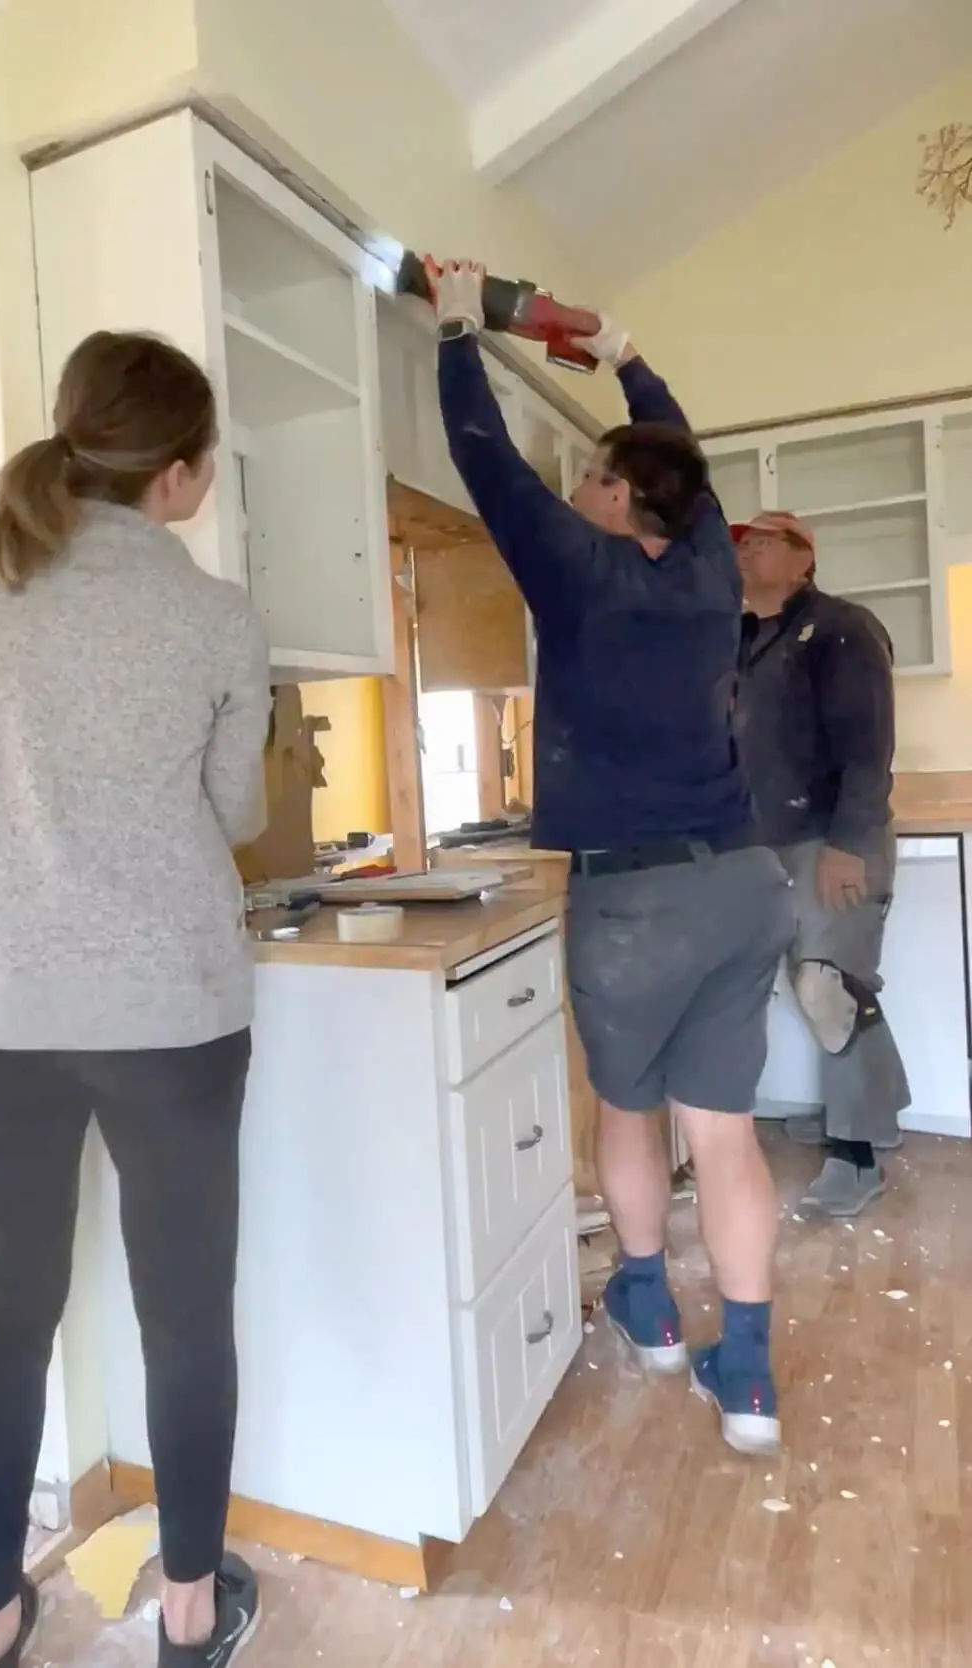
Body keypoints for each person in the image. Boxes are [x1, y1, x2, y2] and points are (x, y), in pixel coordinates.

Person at [0, 331, 271, 1668]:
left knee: (2, 1312)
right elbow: (237, 810)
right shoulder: (212, 612)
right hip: (164, 1011)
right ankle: (185, 1610)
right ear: (175, 475)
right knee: (182, 1313)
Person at [427, 260, 795, 1456]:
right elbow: (677, 443)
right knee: (723, 1132)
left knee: (627, 1113)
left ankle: (644, 1296)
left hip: (633, 902)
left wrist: (449, 325)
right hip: (741, 886)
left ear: (622, 499)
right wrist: (619, 346)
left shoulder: (577, 576)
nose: (573, 482)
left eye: (590, 471)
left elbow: (483, 457)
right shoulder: (700, 566)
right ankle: (743, 1374)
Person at [732, 511, 910, 1218]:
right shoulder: (744, 640)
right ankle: (873, 1111)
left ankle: (856, 1154)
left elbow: (868, 746)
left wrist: (849, 844)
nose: (749, 550)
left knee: (828, 987)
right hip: (763, 844)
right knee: (815, 986)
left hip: (831, 839)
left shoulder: (841, 627)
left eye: (767, 541)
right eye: (744, 543)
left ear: (807, 559)